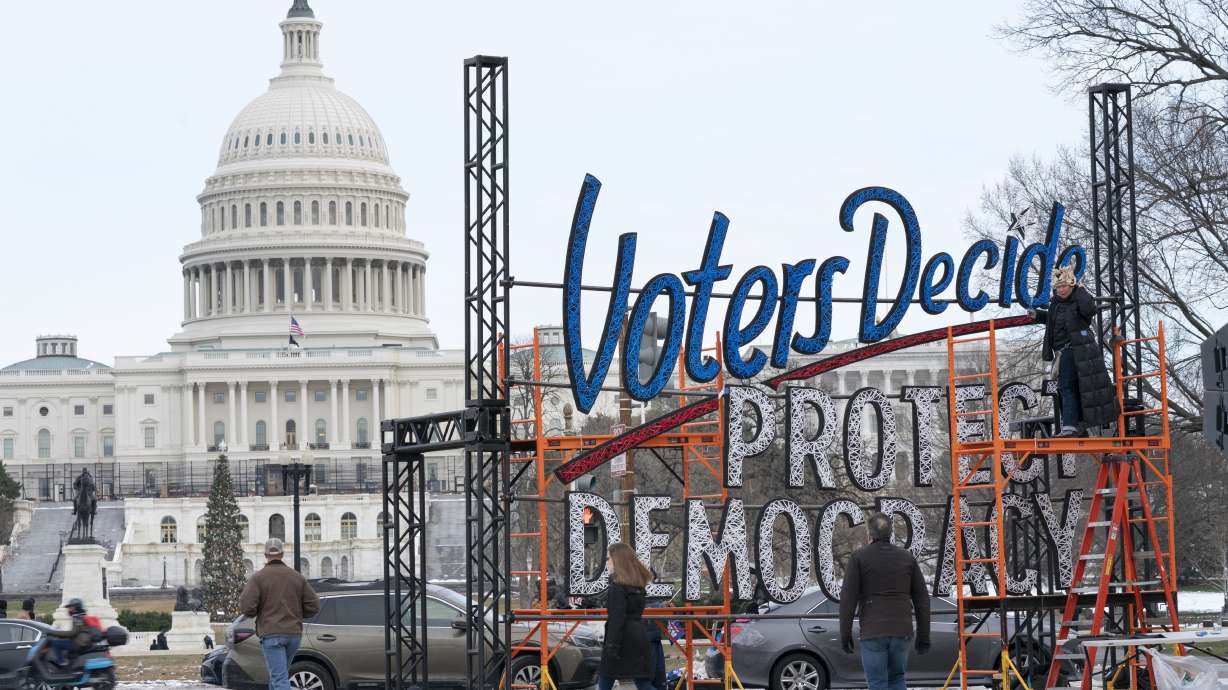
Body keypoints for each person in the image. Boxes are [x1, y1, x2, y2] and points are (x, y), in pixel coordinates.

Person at [839, 513, 930, 690]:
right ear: (890, 532)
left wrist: (845, 634)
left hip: (873, 631)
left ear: (869, 534)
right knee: (897, 679)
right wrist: (924, 636)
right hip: (901, 630)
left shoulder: (859, 558)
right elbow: (922, 600)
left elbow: (848, 600)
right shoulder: (907, 558)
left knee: (877, 683)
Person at [1029, 266, 1119, 436]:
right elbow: (1053, 320)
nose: (1061, 290)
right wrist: (1037, 315)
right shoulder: (1056, 304)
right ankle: (1078, 425)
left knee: (1066, 386)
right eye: (1058, 287)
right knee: (1074, 388)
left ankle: (1069, 425)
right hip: (1061, 352)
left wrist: (1081, 291)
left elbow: (1090, 310)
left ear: (1071, 285)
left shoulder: (1078, 298)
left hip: (1075, 349)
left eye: (1065, 286)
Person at [239, 538, 320, 690]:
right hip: (293, 634)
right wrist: (296, 615)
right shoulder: (297, 577)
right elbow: (314, 605)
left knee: (279, 678)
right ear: (282, 554)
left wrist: (260, 612)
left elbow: (247, 607)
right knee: (279, 675)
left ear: (265, 555)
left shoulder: (258, 578)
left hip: (271, 634)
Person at [599, 542, 654, 690]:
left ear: (617, 560)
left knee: (605, 678)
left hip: (621, 640)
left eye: (608, 558)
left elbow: (617, 619)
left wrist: (611, 646)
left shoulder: (617, 586)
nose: (607, 562)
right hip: (638, 636)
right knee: (643, 682)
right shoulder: (638, 584)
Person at [44, 598, 102, 666]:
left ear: (76, 607)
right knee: (62, 641)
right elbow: (75, 632)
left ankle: (61, 663)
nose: (68, 609)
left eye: (70, 607)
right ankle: (69, 662)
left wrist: (52, 632)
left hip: (79, 643)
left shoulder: (77, 618)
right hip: (82, 642)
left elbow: (72, 633)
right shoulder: (81, 616)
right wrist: (60, 635)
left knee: (56, 643)